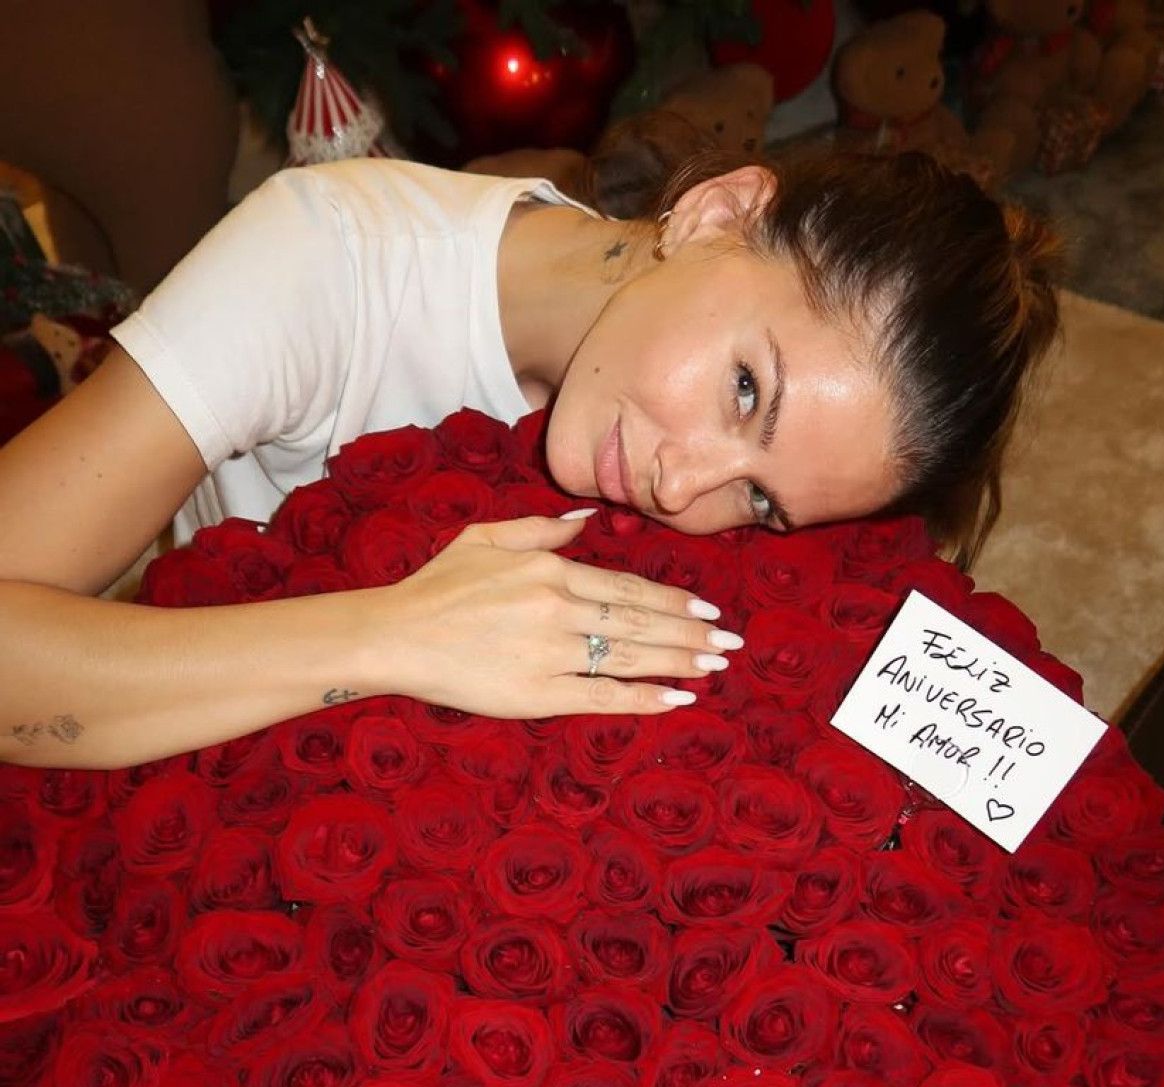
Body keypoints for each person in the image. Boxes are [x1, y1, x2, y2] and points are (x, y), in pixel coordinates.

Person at [0, 146, 1061, 771]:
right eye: (746, 390)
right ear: (716, 214)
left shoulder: (664, 425)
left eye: (761, 502)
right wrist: (395, 634)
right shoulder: (325, 263)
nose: (682, 486)